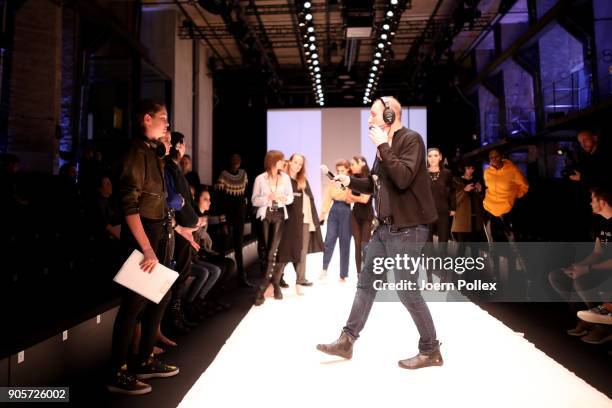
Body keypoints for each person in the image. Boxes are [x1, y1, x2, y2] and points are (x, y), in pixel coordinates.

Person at [316, 96, 442, 369]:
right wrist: (349, 180)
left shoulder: (411, 140)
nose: (369, 119)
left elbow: (403, 177)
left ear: (389, 115)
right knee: (366, 283)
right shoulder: (383, 149)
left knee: (407, 291)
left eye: (373, 114)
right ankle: (347, 340)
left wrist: (383, 145)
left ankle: (431, 349)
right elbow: (376, 185)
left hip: (408, 228)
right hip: (385, 228)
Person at [107, 100, 178, 395]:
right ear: (146, 118)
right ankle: (117, 372)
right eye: (163, 118)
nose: (167, 124)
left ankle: (145, 359)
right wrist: (147, 248)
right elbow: (129, 205)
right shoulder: (134, 152)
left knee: (159, 295)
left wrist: (163, 148)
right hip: (143, 235)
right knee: (134, 303)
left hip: (157, 230)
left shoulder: (149, 151)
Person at [548, 187, 612, 344]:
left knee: (581, 281)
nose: (590, 203)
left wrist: (588, 269)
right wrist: (578, 266)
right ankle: (584, 319)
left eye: (593, 200)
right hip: (601, 268)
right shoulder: (600, 222)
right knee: (557, 276)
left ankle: (603, 326)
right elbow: (597, 253)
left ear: (602, 202)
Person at [164, 132, 201, 334]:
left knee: (182, 273)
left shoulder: (174, 168)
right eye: (183, 145)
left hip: (182, 228)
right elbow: (174, 200)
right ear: (178, 146)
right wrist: (190, 220)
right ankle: (173, 319)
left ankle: (177, 316)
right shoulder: (169, 167)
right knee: (178, 274)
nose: (184, 148)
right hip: (177, 229)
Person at [276, 154, 324, 295]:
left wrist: (313, 221)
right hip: (288, 220)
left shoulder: (303, 181)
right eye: (295, 162)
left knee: (302, 251)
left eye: (300, 163)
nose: (297, 165)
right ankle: (277, 279)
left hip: (304, 220)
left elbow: (309, 202)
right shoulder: (283, 179)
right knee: (286, 249)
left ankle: (300, 279)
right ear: (289, 162)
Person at [251, 150, 294, 305]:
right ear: (273, 161)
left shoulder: (286, 178)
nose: (284, 162)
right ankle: (275, 284)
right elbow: (254, 200)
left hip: (279, 215)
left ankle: (260, 291)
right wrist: (267, 197)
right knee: (264, 253)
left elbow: (290, 197)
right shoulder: (260, 179)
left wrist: (284, 198)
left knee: (271, 253)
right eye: (281, 160)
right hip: (265, 215)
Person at [215, 153, 252, 287]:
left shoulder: (244, 174)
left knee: (238, 248)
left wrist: (245, 210)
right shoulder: (223, 176)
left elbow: (246, 194)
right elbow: (219, 200)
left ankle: (241, 278)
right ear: (230, 161)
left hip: (240, 217)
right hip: (227, 217)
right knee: (223, 248)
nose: (236, 162)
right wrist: (222, 220)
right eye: (233, 159)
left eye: (238, 160)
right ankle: (219, 281)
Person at [425, 148, 455, 283]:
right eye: (430, 156)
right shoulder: (422, 174)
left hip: (443, 213)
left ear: (440, 157)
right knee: (428, 246)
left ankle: (443, 277)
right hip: (426, 214)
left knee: (443, 245)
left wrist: (453, 207)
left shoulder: (447, 174)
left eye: (435, 155)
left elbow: (453, 191)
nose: (432, 158)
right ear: (427, 158)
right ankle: (429, 277)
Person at [320, 160, 353, 281]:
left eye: (342, 170)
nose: (340, 172)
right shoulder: (333, 182)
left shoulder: (351, 181)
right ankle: (324, 268)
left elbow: (349, 197)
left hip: (346, 210)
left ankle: (343, 274)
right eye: (338, 170)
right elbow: (328, 198)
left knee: (345, 242)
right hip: (334, 210)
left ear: (348, 170)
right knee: (329, 240)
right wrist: (322, 215)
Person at [451, 161, 486, 260]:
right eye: (468, 168)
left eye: (472, 168)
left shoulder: (476, 181)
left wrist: (480, 191)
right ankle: (459, 270)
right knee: (461, 248)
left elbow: (482, 200)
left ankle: (475, 270)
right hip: (462, 220)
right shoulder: (457, 181)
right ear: (464, 168)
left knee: (475, 249)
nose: (471, 170)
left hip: (475, 220)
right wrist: (464, 190)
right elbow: (454, 201)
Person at [349, 156, 373, 275]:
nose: (351, 167)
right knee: (357, 245)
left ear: (362, 163)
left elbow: (365, 200)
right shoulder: (353, 178)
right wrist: (356, 198)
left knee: (365, 245)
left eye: (353, 164)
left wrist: (354, 198)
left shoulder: (369, 178)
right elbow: (348, 198)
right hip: (355, 215)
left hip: (367, 216)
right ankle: (360, 275)